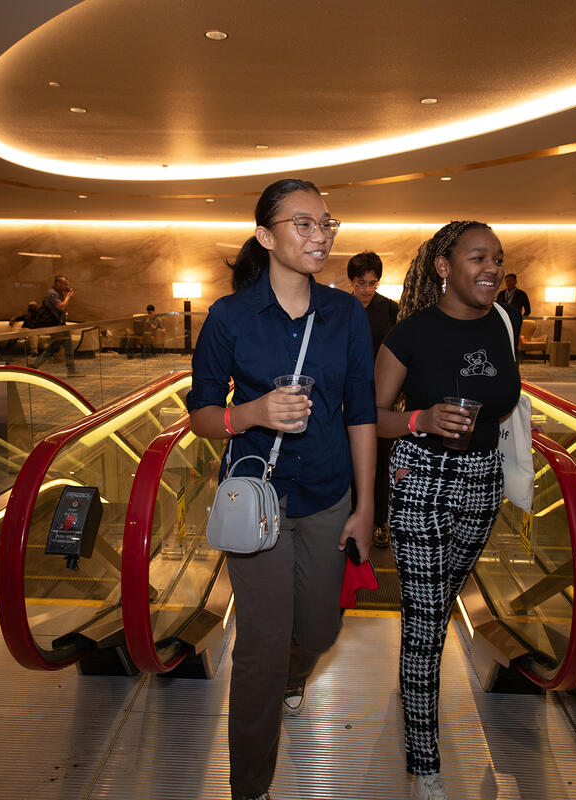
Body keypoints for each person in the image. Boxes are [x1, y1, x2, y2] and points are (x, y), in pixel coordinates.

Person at [187, 178, 376, 800]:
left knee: (318, 628)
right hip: (256, 500)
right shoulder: (229, 317)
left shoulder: (345, 313)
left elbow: (361, 413)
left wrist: (365, 506)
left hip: (327, 493)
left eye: (327, 223)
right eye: (304, 223)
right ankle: (250, 787)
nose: (320, 235)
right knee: (262, 647)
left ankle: (298, 671)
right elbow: (203, 414)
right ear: (266, 237)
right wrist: (253, 413)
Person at [374, 221, 522, 800]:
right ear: (443, 266)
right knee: (428, 616)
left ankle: (412, 679)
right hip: (420, 478)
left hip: (482, 480)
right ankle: (425, 761)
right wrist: (422, 419)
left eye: (499, 259)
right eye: (478, 257)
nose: (492, 268)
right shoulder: (408, 336)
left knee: (442, 598)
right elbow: (367, 416)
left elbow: (508, 399)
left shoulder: (504, 324)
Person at [348, 251, 398, 549]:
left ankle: (380, 521)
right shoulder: (340, 307)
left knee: (380, 459)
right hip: (346, 394)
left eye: (372, 283)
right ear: (351, 281)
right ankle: (350, 514)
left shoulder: (391, 310)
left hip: (382, 395)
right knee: (348, 457)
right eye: (361, 283)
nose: (367, 289)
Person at [30, 275, 77, 376]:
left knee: (54, 347)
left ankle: (34, 365)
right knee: (62, 347)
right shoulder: (52, 294)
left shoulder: (59, 293)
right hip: (55, 325)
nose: (67, 286)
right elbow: (61, 306)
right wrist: (68, 296)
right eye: (65, 284)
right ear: (58, 283)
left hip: (59, 325)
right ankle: (71, 370)